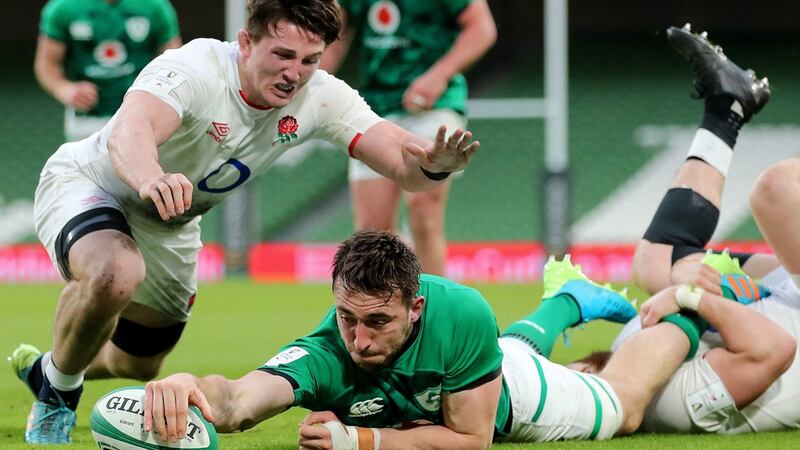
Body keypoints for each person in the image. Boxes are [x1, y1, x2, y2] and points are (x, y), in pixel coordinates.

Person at [10, 0, 482, 444]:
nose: (294, 73)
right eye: (282, 54)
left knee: (140, 364)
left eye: (309, 60)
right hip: (95, 183)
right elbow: (131, 130)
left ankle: (50, 369)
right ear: (245, 42)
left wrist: (435, 164)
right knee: (116, 271)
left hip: (171, 223)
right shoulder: (194, 68)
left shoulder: (320, 96)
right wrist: (151, 176)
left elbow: (402, 161)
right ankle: (56, 399)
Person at [142, 230, 760, 448]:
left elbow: (472, 439)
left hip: (516, 403)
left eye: (377, 323)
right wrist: (188, 386)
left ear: (415, 306)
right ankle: (570, 298)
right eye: (346, 318)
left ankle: (693, 303)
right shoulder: (328, 348)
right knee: (502, 351)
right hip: (484, 366)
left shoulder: (460, 310)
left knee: (623, 405)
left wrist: (361, 440)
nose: (356, 339)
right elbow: (241, 399)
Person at [568, 25, 800, 435]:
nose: (552, 380)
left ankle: (727, 106)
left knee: (656, 263)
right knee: (776, 190)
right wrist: (686, 292)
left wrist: (684, 282)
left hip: (781, 295)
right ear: (587, 372)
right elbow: (773, 349)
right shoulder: (664, 402)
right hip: (788, 319)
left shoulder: (636, 356)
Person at [319, 0, 497, 275]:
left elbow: (482, 28)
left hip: (434, 105)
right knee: (372, 232)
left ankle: (433, 312)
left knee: (423, 210)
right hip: (375, 109)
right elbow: (334, 40)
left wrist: (438, 76)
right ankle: (387, 308)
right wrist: (308, 82)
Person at [35, 0, 182, 142]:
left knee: (140, 166)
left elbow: (174, 62)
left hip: (141, 113)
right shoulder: (63, 7)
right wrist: (65, 89)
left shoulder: (155, 5)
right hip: (87, 117)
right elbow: (47, 65)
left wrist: (156, 93)